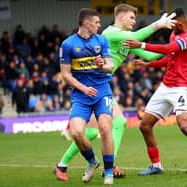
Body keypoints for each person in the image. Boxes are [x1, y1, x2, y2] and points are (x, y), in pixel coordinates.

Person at [55, 3, 177, 181]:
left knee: (111, 124)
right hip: (92, 85)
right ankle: (98, 166)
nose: (134, 21)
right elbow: (136, 36)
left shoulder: (125, 40)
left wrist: (173, 49)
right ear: (120, 17)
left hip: (101, 85)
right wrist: (158, 25)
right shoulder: (110, 33)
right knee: (100, 128)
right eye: (131, 17)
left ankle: (66, 166)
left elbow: (148, 55)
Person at [124, 7, 187, 176]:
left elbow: (169, 48)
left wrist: (142, 45)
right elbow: (171, 58)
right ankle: (156, 166)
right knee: (145, 126)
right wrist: (149, 65)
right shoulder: (175, 33)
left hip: (181, 88)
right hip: (165, 86)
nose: (171, 28)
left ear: (181, 23)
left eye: (174, 25)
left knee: (184, 125)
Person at [57, 8, 115, 185]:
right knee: (76, 132)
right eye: (97, 22)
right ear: (87, 23)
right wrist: (84, 88)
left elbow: (110, 66)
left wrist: (101, 65)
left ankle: (109, 172)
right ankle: (92, 162)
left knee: (105, 128)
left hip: (102, 91)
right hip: (81, 95)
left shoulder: (102, 40)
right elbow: (65, 75)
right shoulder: (68, 44)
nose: (99, 25)